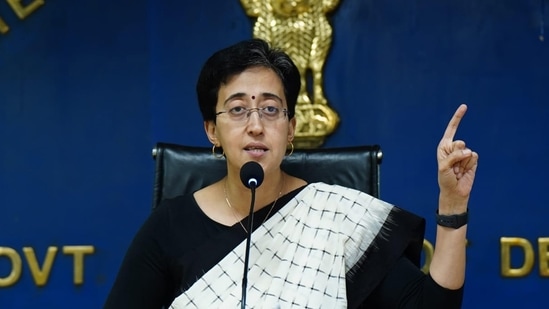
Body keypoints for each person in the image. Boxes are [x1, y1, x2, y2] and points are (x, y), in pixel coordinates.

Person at [104, 38, 478, 308]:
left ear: (291, 128)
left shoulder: (333, 219)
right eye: (237, 110)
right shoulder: (170, 226)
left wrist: (453, 203)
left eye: (270, 109)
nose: (255, 126)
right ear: (211, 131)